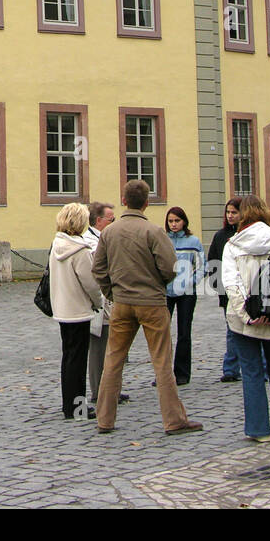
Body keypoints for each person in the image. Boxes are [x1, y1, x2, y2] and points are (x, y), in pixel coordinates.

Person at [92, 180, 203, 435]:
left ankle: (104, 419)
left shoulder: (109, 232)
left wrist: (112, 291)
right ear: (146, 203)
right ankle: (173, 420)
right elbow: (171, 267)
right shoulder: (154, 232)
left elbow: (98, 269)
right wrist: (158, 285)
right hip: (152, 302)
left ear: (123, 200)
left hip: (121, 303)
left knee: (113, 360)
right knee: (162, 361)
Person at [221, 194, 270, 441]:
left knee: (252, 372)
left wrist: (246, 315)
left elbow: (230, 284)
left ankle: (259, 430)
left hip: (245, 323)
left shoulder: (232, 245)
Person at [47, 202, 102, 419]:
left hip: (62, 309)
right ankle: (77, 407)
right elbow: (91, 284)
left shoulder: (57, 244)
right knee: (78, 362)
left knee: (68, 358)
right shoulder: (80, 250)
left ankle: (68, 404)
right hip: (79, 310)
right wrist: (98, 302)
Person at [82, 201, 127, 407]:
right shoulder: (91, 242)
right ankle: (99, 391)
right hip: (101, 302)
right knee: (99, 349)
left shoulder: (104, 238)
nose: (114, 223)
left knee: (113, 347)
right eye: (111, 219)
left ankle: (111, 388)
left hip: (113, 299)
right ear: (99, 221)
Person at [164, 206, 204, 386]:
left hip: (187, 292)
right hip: (165, 291)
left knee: (184, 332)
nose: (173, 224)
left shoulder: (193, 241)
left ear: (184, 221)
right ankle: (163, 373)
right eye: (171, 221)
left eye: (177, 221)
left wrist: (191, 282)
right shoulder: (163, 240)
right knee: (162, 333)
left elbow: (202, 266)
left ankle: (182, 373)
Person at [208, 198, 242, 381]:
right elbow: (213, 261)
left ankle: (262, 367)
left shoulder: (247, 235)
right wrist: (217, 284)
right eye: (228, 212)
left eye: (234, 212)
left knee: (255, 331)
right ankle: (231, 369)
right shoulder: (220, 236)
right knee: (232, 330)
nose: (230, 216)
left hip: (246, 290)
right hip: (227, 291)